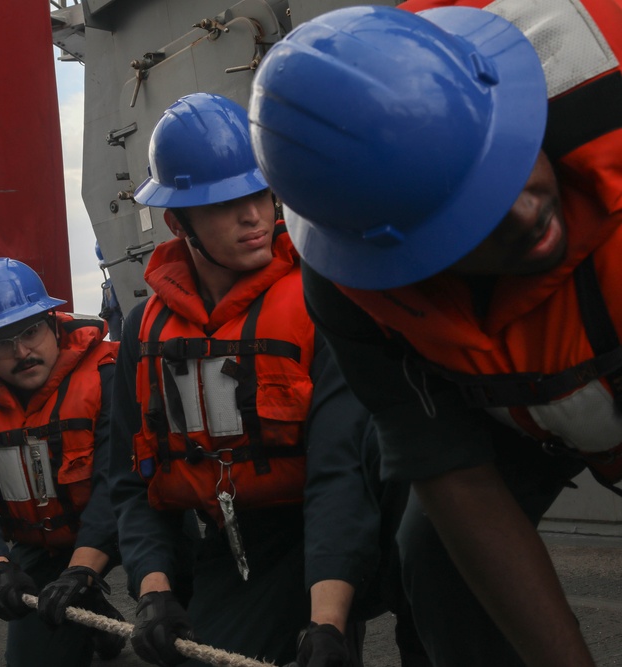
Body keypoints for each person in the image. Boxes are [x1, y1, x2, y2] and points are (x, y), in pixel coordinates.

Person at [249, 5, 622, 666]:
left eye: (507, 159)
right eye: (470, 215)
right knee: (437, 555)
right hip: (524, 416)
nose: (527, 209)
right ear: (392, 254)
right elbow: (456, 476)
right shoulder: (352, 288)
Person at [112, 92, 407, 667]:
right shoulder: (143, 333)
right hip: (234, 540)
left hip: (353, 525)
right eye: (224, 203)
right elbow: (130, 479)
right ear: (178, 222)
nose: (254, 215)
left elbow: (339, 472)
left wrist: (327, 622)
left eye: (259, 192)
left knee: (432, 615)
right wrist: (154, 591)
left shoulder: (322, 302)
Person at [0, 257, 126, 667]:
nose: (21, 351)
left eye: (30, 331)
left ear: (54, 323)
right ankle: (90, 614)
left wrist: (83, 568)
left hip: (130, 531)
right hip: (44, 543)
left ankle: (150, 592)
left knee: (176, 634)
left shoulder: (109, 375)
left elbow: (119, 484)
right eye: (2, 341)